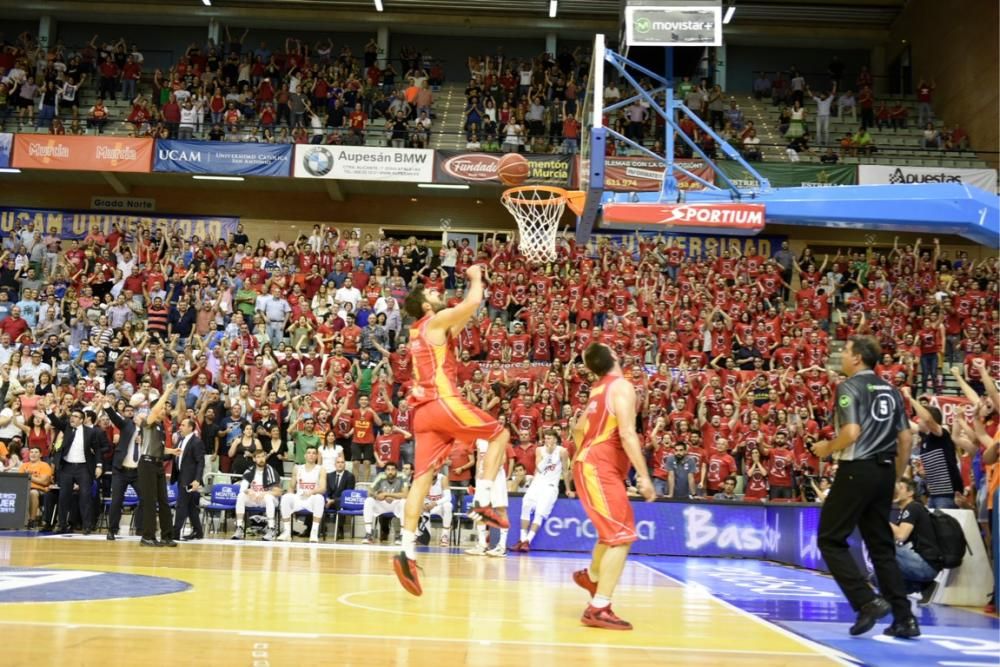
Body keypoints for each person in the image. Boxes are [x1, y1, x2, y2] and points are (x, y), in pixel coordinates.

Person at [393, 265, 512, 596]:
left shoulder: (420, 331)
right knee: (499, 433)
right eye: (432, 293)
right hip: (442, 401)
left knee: (422, 479)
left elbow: (462, 319)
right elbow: (472, 305)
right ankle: (485, 501)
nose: (437, 292)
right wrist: (476, 277)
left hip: (421, 415)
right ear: (427, 306)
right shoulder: (435, 320)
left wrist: (467, 305)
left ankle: (407, 551)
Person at [811, 335, 919, 638]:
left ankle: (866, 600)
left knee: (830, 539)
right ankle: (905, 619)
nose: (842, 356)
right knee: (881, 547)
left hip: (856, 468)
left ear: (857, 358)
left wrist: (828, 448)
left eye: (845, 351)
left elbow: (852, 431)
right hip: (884, 471)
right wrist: (894, 476)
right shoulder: (892, 390)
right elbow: (906, 438)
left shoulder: (849, 386)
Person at [570, 343, 656, 630]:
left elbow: (578, 428)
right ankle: (599, 606)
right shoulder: (621, 386)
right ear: (616, 357)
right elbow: (628, 433)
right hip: (599, 467)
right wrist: (643, 476)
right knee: (622, 536)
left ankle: (593, 577)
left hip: (591, 463)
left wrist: (587, 454)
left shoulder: (597, 390)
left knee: (612, 534)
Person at [47, 402, 106, 535]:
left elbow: (97, 450)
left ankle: (87, 526)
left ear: (81, 419)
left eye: (75, 416)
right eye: (71, 416)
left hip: (84, 468)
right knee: (63, 497)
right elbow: (55, 421)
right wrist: (48, 410)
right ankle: (62, 525)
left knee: (85, 497)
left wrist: (99, 465)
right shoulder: (67, 427)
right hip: (67, 467)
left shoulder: (91, 432)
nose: (72, 418)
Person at [513, 430, 573, 552]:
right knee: (526, 506)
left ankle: (527, 541)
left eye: (549, 438)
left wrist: (568, 489)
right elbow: (539, 468)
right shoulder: (539, 450)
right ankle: (522, 538)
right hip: (537, 483)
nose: (547, 441)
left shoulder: (562, 451)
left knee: (539, 513)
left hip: (550, 486)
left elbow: (565, 472)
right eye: (545, 438)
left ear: (556, 439)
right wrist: (549, 455)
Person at [134, 384, 177, 547]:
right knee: (150, 501)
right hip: (146, 464)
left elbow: (158, 448)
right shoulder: (148, 422)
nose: (164, 410)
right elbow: (154, 409)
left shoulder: (160, 428)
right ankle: (147, 536)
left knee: (164, 501)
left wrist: (172, 451)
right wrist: (166, 392)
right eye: (162, 408)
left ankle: (166, 536)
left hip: (158, 463)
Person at [890, 479, 943, 603]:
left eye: (900, 488)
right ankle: (925, 587)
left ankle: (924, 584)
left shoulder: (913, 507)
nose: (895, 491)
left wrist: (882, 519)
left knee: (884, 548)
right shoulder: (906, 510)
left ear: (910, 493)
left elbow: (901, 536)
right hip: (922, 564)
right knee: (876, 577)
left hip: (926, 565)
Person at [101, 397, 142, 540]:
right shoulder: (125, 425)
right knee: (117, 500)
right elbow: (113, 416)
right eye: (127, 411)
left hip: (138, 472)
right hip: (121, 470)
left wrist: (143, 441)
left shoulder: (146, 430)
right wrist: (107, 405)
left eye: (132, 411)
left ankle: (140, 528)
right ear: (124, 414)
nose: (130, 413)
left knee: (145, 499)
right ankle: (112, 530)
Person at [465, 438, 511, 557]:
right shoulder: (479, 440)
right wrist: (477, 479)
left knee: (500, 509)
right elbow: (479, 460)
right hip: (482, 478)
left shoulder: (498, 439)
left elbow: (503, 460)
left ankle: (502, 546)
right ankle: (482, 545)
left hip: (496, 477)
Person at [278, 445, 326, 542]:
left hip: (311, 499)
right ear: (305, 455)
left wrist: (312, 492)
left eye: (313, 453)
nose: (311, 455)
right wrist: (289, 501)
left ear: (317, 456)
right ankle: (287, 532)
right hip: (299, 498)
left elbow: (322, 488)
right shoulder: (297, 468)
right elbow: (291, 487)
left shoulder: (321, 469)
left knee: (319, 498)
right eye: (309, 453)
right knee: (286, 497)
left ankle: (314, 532)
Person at [169, 417, 206, 541]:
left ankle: (175, 533)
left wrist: (197, 479)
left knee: (182, 504)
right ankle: (198, 531)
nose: (180, 427)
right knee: (189, 505)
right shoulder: (180, 439)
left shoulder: (196, 442)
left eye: (183, 425)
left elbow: (201, 462)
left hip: (190, 480)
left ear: (191, 427)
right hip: (181, 477)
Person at [232, 448, 282, 540]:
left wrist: (265, 493)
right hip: (254, 498)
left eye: (263, 456)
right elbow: (243, 489)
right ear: (254, 459)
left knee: (268, 497)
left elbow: (278, 492)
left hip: (267, 499)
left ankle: (271, 529)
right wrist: (249, 491)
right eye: (258, 457)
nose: (261, 459)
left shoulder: (271, 471)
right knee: (240, 496)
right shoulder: (249, 471)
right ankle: (239, 527)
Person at [363, 461, 406, 544]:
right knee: (368, 500)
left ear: (396, 471)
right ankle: (369, 534)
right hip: (382, 503)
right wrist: (376, 495)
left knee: (404, 502)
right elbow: (369, 491)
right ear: (385, 471)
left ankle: (402, 535)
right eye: (388, 469)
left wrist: (386, 494)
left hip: (395, 503)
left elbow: (405, 494)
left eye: (393, 469)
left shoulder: (402, 476)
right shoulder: (380, 476)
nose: (390, 472)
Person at [323, 455, 356, 539]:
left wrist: (333, 501)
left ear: (345, 464)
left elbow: (348, 494)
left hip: (343, 501)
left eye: (342, 462)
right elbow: (326, 490)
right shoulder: (329, 475)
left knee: (340, 503)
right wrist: (327, 499)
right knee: (318, 500)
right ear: (335, 464)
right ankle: (314, 529)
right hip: (329, 501)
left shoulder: (350, 476)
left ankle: (340, 529)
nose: (340, 464)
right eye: (338, 462)